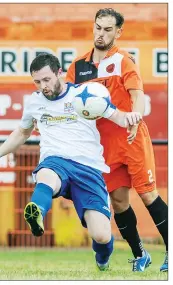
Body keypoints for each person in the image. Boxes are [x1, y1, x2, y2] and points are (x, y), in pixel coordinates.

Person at [0, 53, 141, 271]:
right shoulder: (35, 102)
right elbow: (21, 133)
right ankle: (36, 210)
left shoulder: (84, 95)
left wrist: (130, 117)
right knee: (46, 174)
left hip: (89, 168)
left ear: (60, 74)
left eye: (47, 80)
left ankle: (102, 259)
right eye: (37, 82)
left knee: (102, 235)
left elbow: (118, 117)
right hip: (56, 161)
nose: (43, 86)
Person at [66, 8, 168, 272]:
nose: (101, 34)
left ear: (118, 32)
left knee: (147, 195)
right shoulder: (77, 67)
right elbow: (67, 102)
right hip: (103, 147)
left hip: (131, 137)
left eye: (108, 29)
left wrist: (134, 116)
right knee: (119, 202)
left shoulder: (124, 61)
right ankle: (140, 255)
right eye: (98, 27)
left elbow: (138, 95)